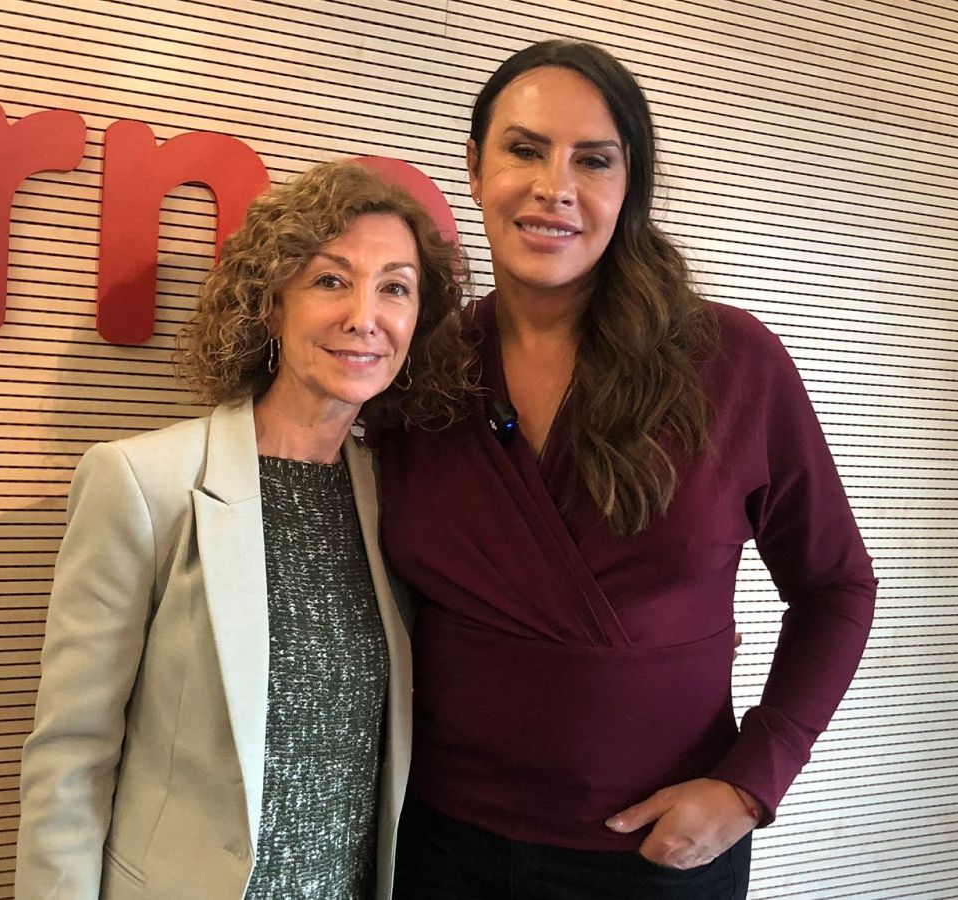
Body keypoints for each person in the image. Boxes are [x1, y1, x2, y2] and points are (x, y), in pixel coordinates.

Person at [375, 40, 877, 899]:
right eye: (524, 149)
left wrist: (752, 783)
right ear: (473, 163)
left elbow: (836, 588)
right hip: (440, 848)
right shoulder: (418, 371)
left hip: (657, 863)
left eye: (593, 160)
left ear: (628, 185)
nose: (553, 187)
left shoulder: (732, 363)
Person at [15, 161, 472, 900]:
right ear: (270, 304)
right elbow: (72, 754)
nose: (365, 315)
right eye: (330, 280)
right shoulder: (142, 483)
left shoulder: (400, 500)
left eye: (395, 287)